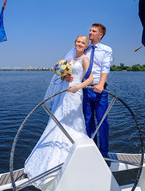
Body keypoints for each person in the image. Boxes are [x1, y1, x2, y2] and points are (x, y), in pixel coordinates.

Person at [24, 35, 93, 191]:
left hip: (75, 94)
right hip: (64, 92)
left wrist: (77, 86)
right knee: (58, 121)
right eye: (78, 41)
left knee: (73, 122)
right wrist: (65, 76)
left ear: (86, 45)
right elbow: (64, 77)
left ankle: (76, 159)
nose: (80, 44)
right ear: (75, 43)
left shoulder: (84, 60)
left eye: (83, 42)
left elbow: (91, 79)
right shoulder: (69, 59)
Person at [68, 23, 113, 157]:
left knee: (102, 121)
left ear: (100, 35)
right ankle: (91, 151)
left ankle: (104, 153)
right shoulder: (84, 49)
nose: (90, 32)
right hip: (85, 90)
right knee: (87, 121)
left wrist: (100, 83)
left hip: (99, 90)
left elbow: (106, 67)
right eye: (90, 30)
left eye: (93, 31)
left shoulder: (106, 49)